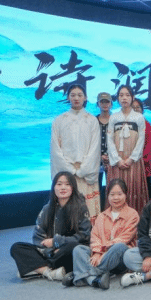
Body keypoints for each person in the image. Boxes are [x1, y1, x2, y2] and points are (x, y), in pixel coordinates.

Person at [10, 172, 91, 281]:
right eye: (59, 184)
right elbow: (38, 237)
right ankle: (49, 272)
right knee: (16, 248)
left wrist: (56, 242)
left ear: (73, 188)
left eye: (67, 184)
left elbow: (84, 236)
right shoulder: (47, 209)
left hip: (67, 252)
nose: (63, 187)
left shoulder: (80, 207)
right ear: (54, 187)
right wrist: (51, 251)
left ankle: (36, 268)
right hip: (50, 253)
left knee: (73, 247)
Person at [65, 178, 138, 290]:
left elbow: (125, 238)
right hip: (100, 256)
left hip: (119, 259)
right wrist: (97, 252)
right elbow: (95, 237)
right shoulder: (101, 216)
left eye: (119, 194)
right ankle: (94, 280)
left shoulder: (132, 215)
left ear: (125, 195)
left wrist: (103, 252)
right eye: (112, 194)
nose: (116, 198)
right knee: (79, 249)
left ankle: (81, 275)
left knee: (119, 246)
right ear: (107, 196)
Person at [50, 84, 101, 223]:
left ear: (85, 97)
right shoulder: (59, 120)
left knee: (87, 213)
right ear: (68, 97)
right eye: (73, 95)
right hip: (67, 173)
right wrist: (69, 169)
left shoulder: (92, 120)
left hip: (86, 173)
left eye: (79, 95)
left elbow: (95, 148)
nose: (76, 98)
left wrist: (84, 169)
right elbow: (55, 149)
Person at [107, 85, 149, 215]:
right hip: (117, 163)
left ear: (133, 97)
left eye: (127, 95)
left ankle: (134, 221)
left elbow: (141, 140)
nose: (124, 98)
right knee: (116, 190)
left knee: (133, 190)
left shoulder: (139, 117)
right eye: (121, 95)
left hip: (133, 162)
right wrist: (117, 160)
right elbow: (109, 140)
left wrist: (132, 159)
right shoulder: (113, 117)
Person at [131, 98, 151, 200]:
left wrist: (138, 162)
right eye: (133, 107)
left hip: (143, 167)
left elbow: (148, 148)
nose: (136, 110)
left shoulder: (147, 125)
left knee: (145, 197)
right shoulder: (125, 124)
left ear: (142, 109)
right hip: (129, 167)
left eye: (138, 107)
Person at [96, 92, 112, 211]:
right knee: (96, 189)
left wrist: (110, 156)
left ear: (111, 104)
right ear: (98, 104)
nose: (105, 104)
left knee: (112, 188)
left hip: (112, 161)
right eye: (102, 102)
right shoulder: (93, 121)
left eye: (107, 102)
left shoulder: (115, 120)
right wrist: (99, 156)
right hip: (96, 162)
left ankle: (110, 212)